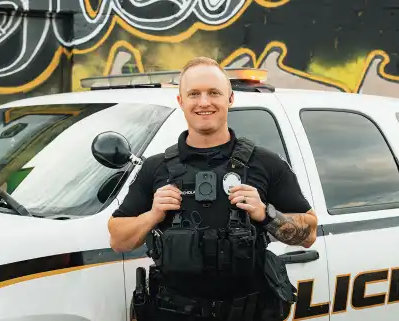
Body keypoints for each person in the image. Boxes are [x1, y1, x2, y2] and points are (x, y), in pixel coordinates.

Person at [107, 57, 318, 321]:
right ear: (181, 101)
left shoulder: (265, 163)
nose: (204, 102)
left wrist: (266, 214)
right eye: (194, 94)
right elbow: (118, 239)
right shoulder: (155, 168)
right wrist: (152, 216)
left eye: (214, 93)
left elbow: (309, 233)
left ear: (230, 99)